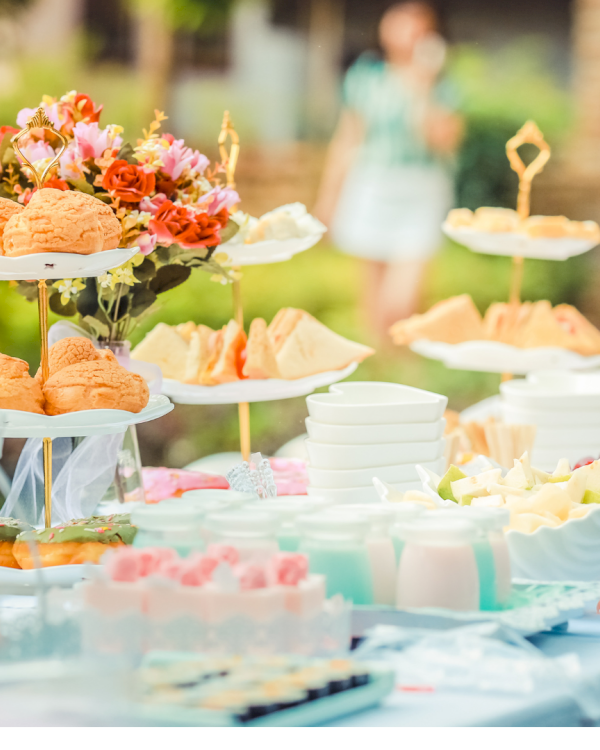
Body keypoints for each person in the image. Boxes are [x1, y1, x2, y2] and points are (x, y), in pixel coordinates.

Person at [314, 2, 463, 339]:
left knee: (401, 301)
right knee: (373, 298)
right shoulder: (367, 75)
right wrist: (328, 201)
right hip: (371, 184)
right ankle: (385, 368)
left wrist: (422, 87)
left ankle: (405, 363)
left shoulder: (442, 85)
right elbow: (347, 140)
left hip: (420, 189)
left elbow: (443, 141)